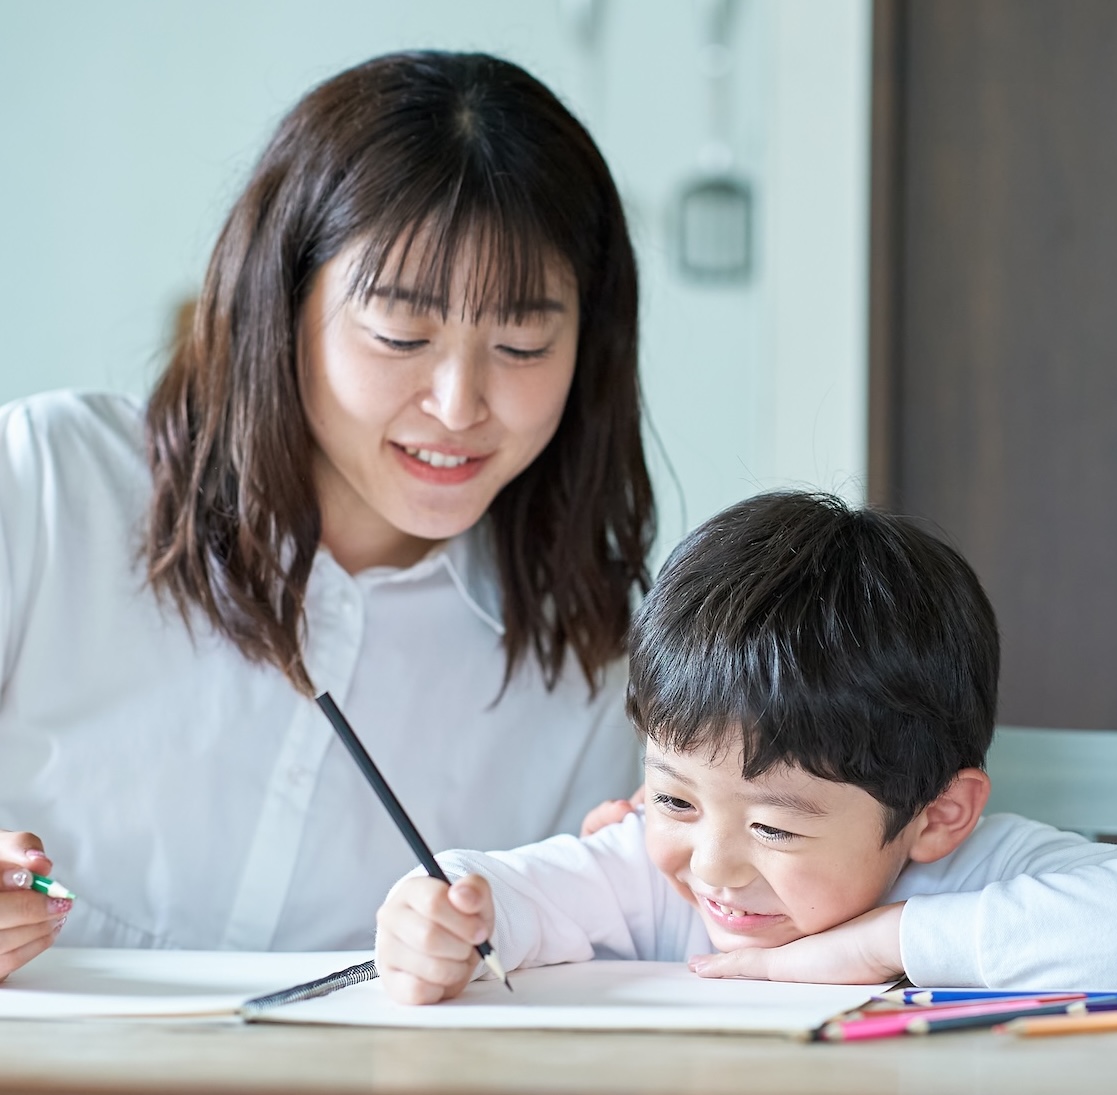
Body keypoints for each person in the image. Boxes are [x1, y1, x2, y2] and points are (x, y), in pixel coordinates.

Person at [0, 51, 654, 977]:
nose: (459, 404)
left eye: (521, 344)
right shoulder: (46, 483)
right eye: (400, 335)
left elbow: (566, 976)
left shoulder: (582, 654)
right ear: (280, 302)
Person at [375, 492, 1117, 1002]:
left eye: (774, 826)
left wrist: (879, 943)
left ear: (937, 814)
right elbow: (498, 888)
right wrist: (439, 913)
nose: (713, 866)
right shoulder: (649, 874)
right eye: (675, 797)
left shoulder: (976, 869)